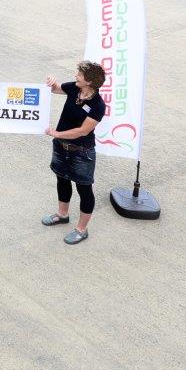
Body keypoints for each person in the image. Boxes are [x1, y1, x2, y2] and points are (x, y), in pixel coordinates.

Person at [42, 61, 108, 244]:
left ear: (88, 81)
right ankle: (62, 214)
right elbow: (55, 89)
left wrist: (57, 133)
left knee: (84, 189)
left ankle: (81, 229)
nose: (75, 75)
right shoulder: (74, 89)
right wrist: (51, 82)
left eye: (79, 74)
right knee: (62, 180)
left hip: (82, 152)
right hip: (61, 147)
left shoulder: (98, 105)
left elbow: (82, 131)